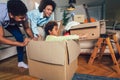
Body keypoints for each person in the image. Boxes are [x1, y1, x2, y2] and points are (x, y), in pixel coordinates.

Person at [0, 0, 34, 68]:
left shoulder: (24, 15)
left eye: (24, 17)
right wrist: (21, 44)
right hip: (2, 20)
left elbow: (27, 28)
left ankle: (20, 62)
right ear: (11, 15)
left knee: (20, 37)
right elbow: (1, 38)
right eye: (21, 18)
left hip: (10, 22)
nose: (24, 19)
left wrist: (33, 38)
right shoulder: (1, 14)